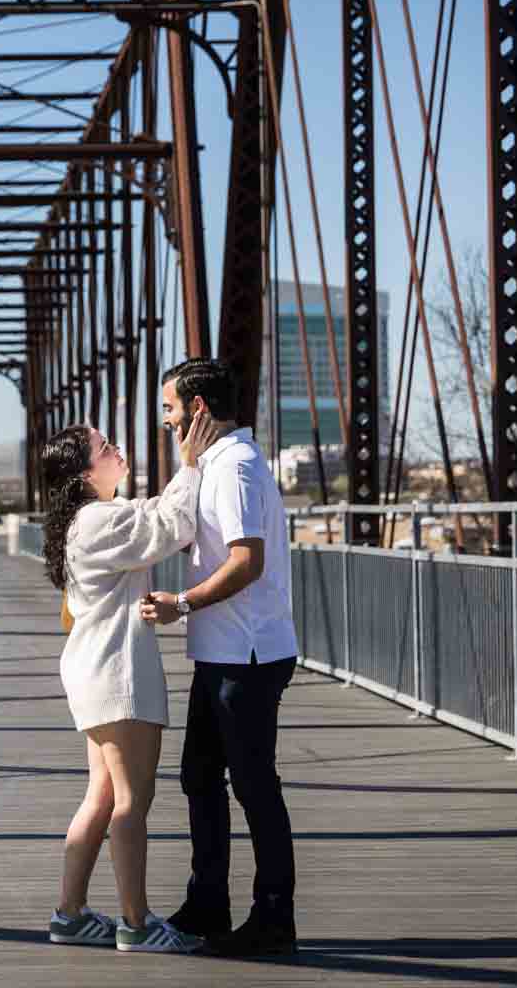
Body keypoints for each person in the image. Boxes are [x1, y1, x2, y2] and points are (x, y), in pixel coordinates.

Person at [40, 415, 226, 954]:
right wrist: (189, 465)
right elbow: (169, 527)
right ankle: (136, 923)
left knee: (101, 797)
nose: (115, 449)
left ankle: (70, 914)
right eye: (104, 447)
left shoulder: (88, 521)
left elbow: (152, 517)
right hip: (115, 674)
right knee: (131, 800)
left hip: (95, 672)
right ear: (82, 475)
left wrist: (182, 474)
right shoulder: (97, 521)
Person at [139, 358, 300, 958]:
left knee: (254, 786)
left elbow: (246, 560)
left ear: (197, 409)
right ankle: (209, 902)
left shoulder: (235, 468)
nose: (166, 420)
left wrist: (182, 602)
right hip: (225, 652)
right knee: (200, 778)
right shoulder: (215, 464)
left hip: (248, 655)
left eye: (170, 409)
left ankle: (273, 921)